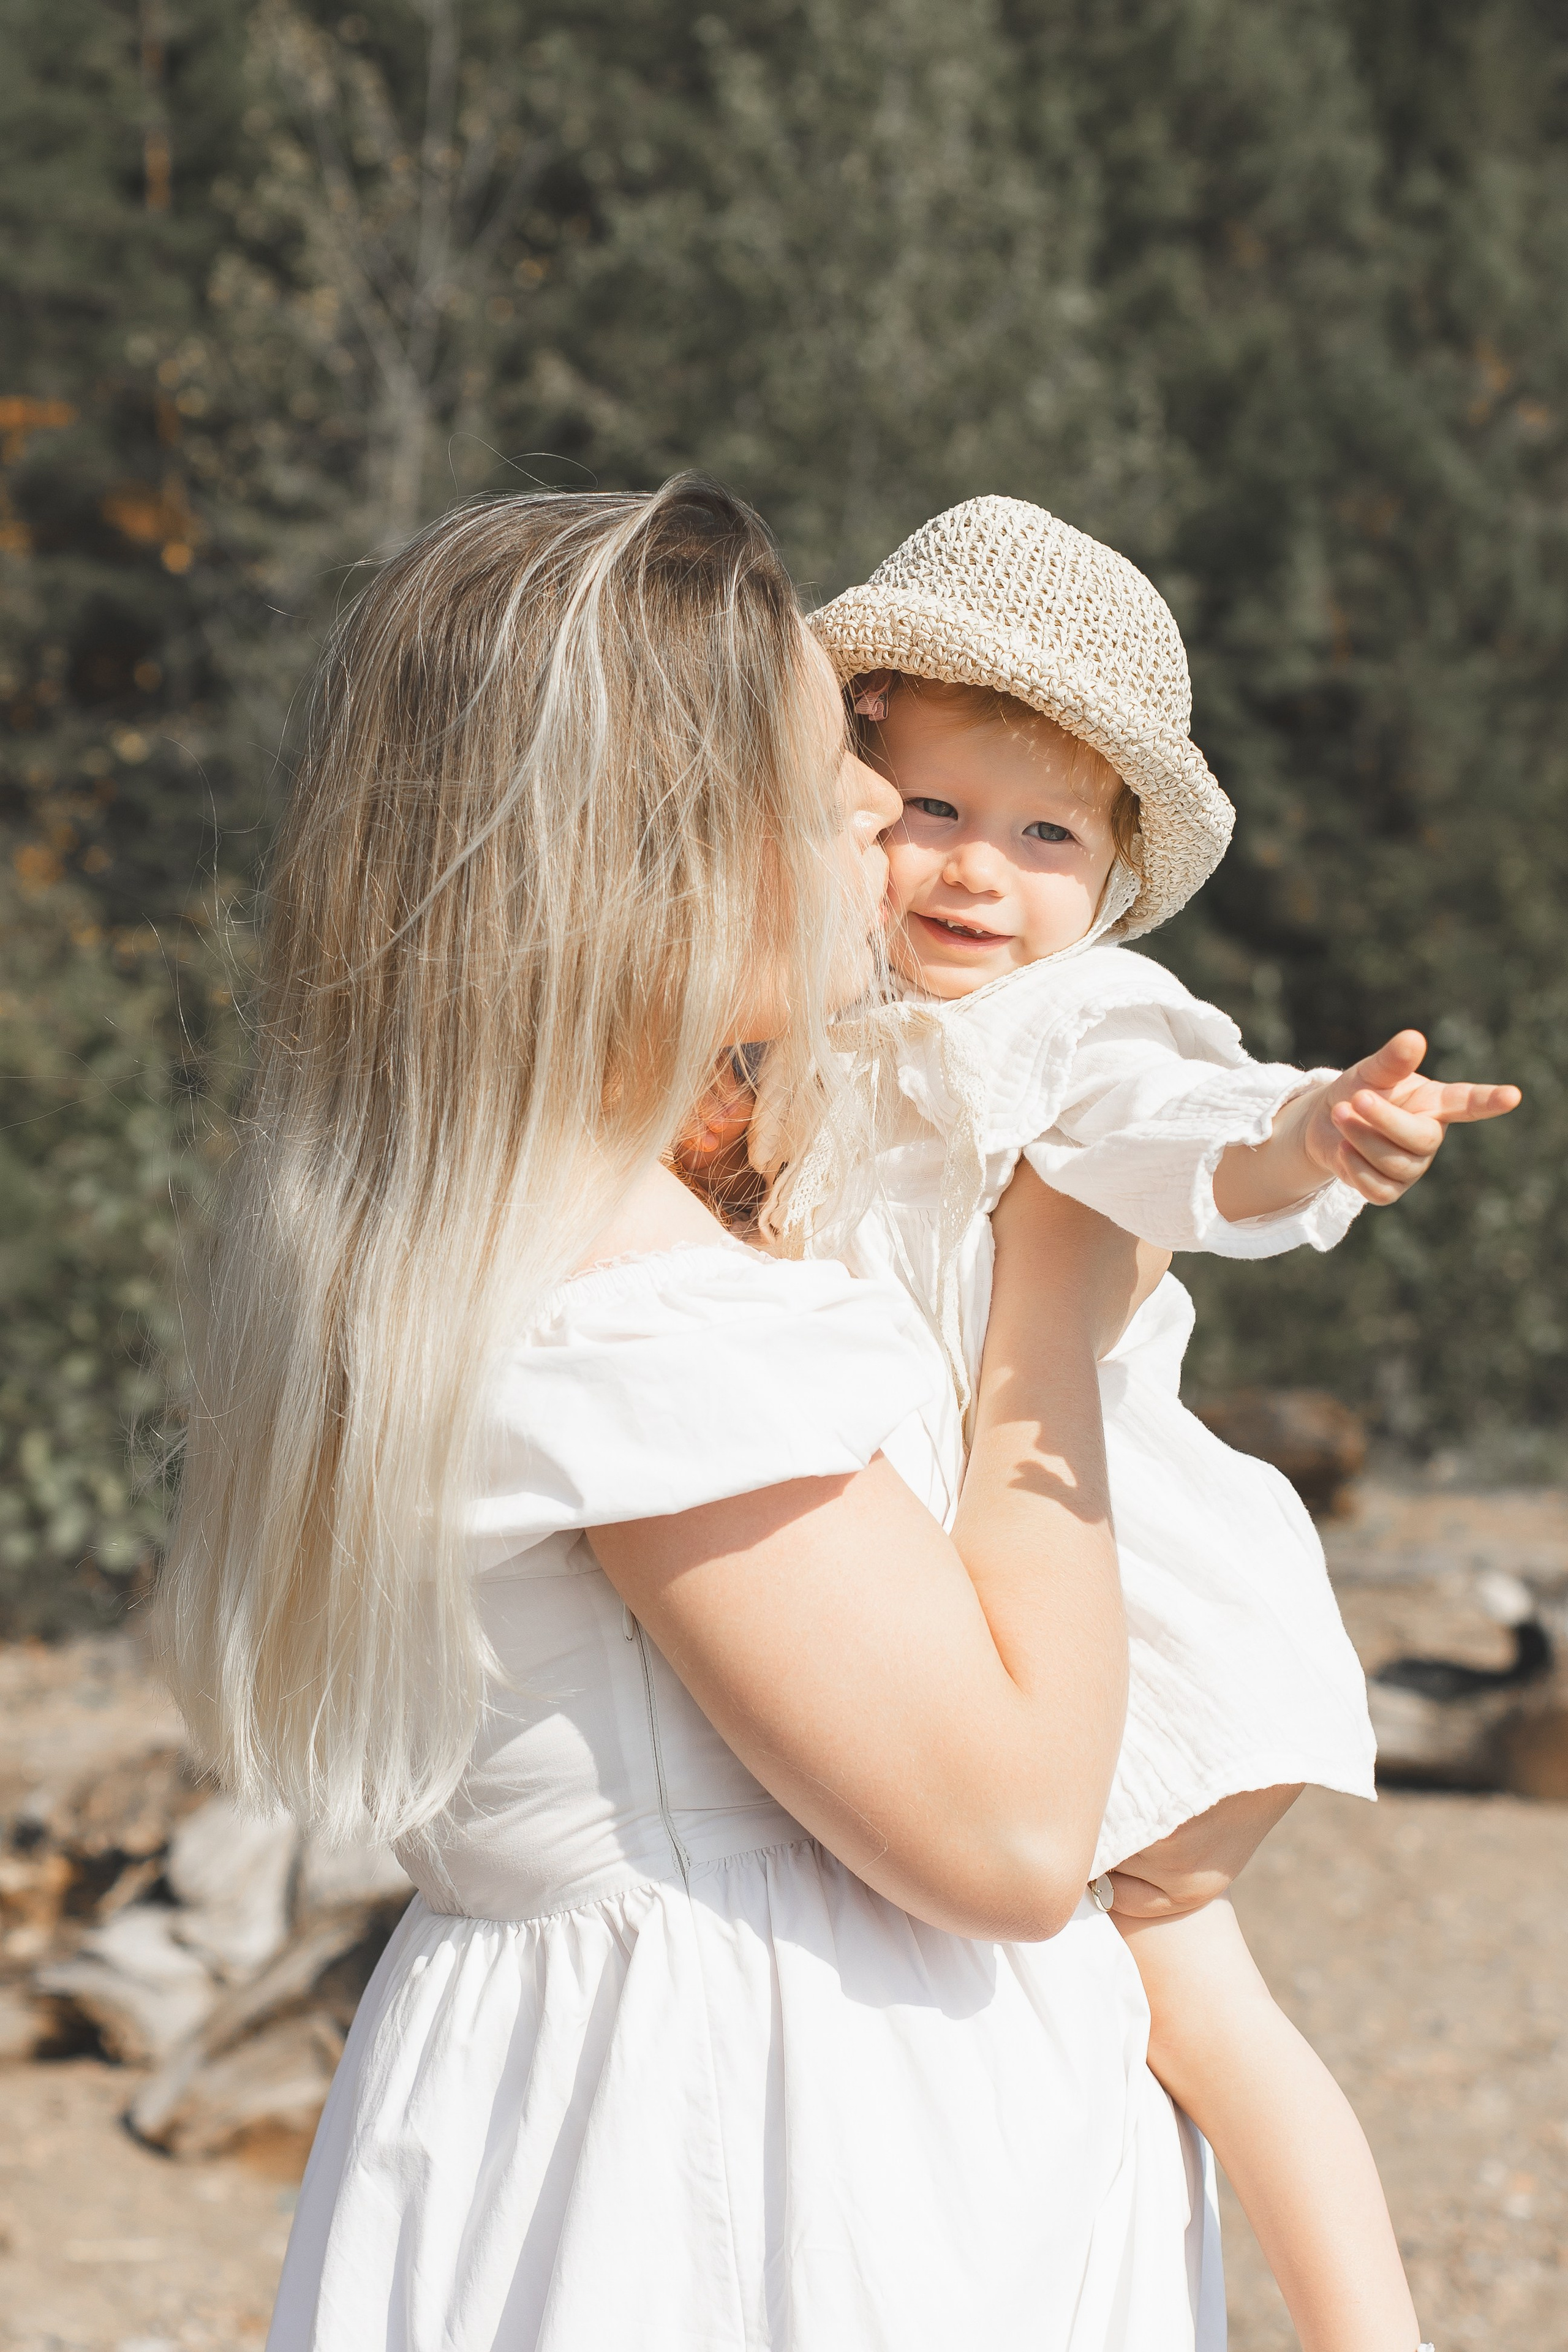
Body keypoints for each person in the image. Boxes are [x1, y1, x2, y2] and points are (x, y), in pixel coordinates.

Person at [154, 478, 1243, 2350]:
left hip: (665, 2128)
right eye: (829, 765)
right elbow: (1008, 1834)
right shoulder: (634, 1311)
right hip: (761, 2188)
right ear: (657, 842)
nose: (869, 816)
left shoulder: (506, 1225)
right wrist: (1056, 1276)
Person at [790, 494, 1517, 2352]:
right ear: (850, 797)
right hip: (962, 1611)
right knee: (1090, 1997)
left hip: (1134, 1608)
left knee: (1183, 1988)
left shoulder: (1065, 1027)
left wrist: (1316, 1137)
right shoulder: (815, 1024)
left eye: (1044, 838)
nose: (978, 874)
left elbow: (1187, 1133)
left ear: (1110, 886)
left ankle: (1372, 2330)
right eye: (936, 812)